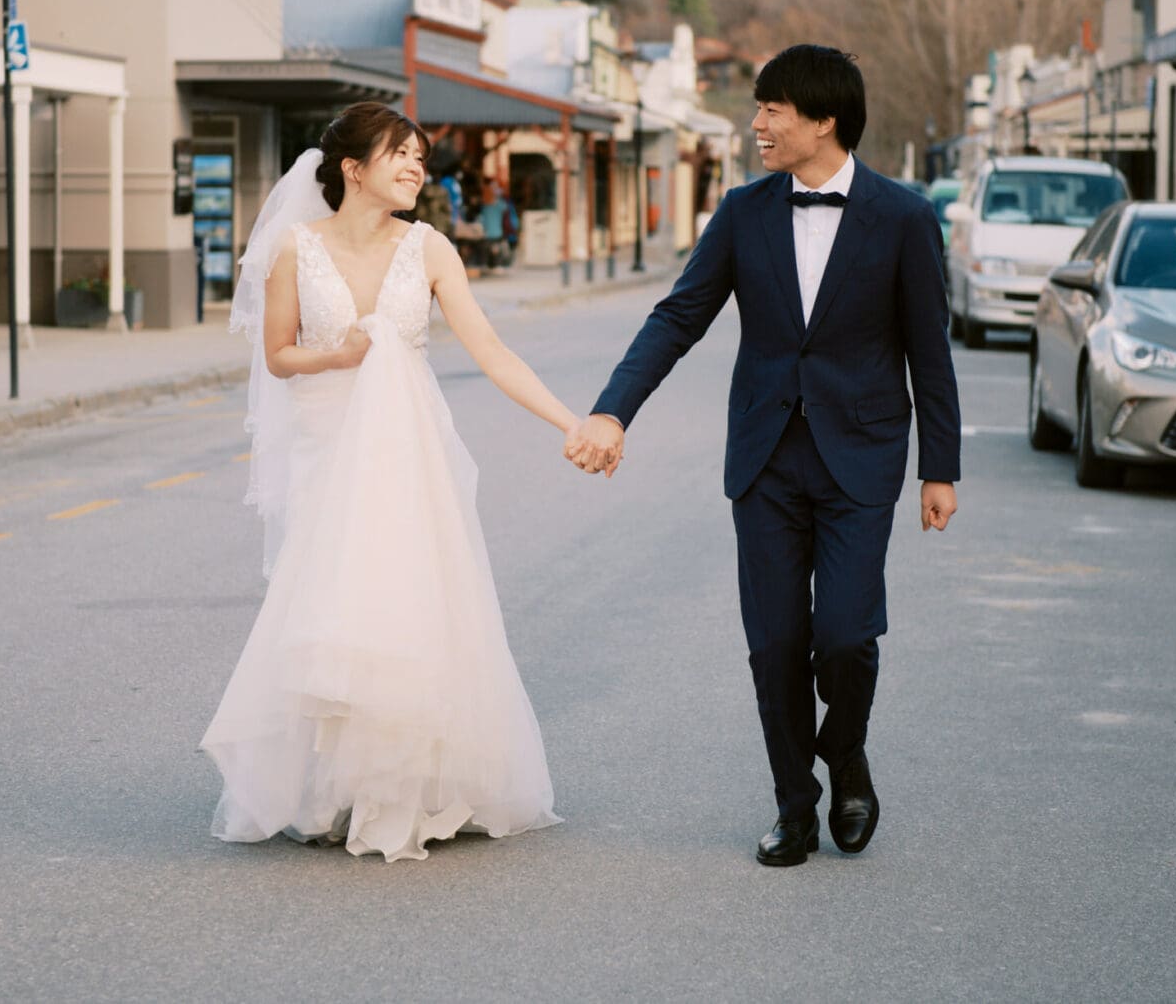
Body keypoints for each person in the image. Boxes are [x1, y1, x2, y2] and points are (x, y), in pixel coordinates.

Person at [565, 45, 962, 867]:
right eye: (758, 109)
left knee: (847, 636)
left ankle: (845, 752)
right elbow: (679, 318)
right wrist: (612, 410)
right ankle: (795, 806)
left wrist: (939, 467)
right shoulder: (743, 213)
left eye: (774, 110)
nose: (758, 126)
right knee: (775, 642)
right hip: (767, 460)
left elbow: (931, 350)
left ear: (825, 121)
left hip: (862, 458)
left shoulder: (905, 217)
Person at [201, 102, 578, 862]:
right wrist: (335, 355)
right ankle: (335, 788)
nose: (415, 169)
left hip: (410, 457)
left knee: (409, 608)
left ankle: (403, 788)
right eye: (400, 155)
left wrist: (570, 423)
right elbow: (277, 354)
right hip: (326, 447)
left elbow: (492, 349)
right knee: (337, 615)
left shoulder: (430, 249)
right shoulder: (292, 249)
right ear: (352, 170)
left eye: (420, 158)